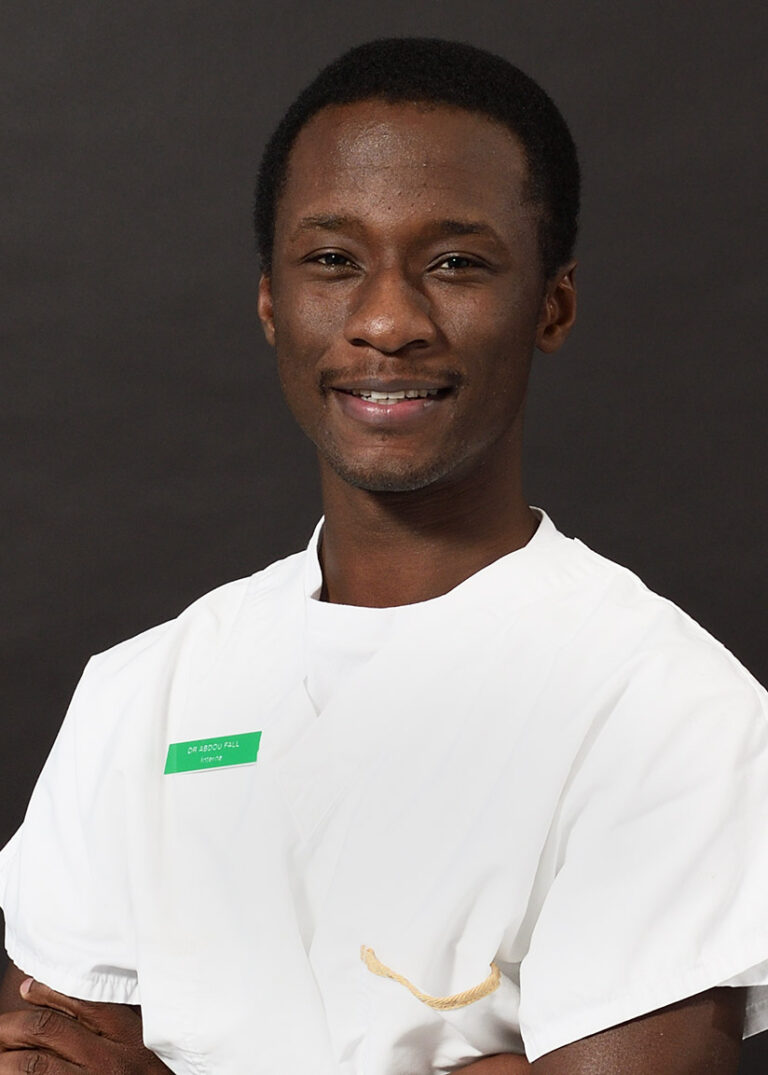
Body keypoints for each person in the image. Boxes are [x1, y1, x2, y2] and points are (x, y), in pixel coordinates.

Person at [0, 36, 766, 1075]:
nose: (388, 319)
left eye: (455, 263)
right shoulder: (141, 695)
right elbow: (44, 1054)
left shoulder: (672, 714)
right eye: (333, 261)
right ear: (270, 301)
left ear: (553, 304)